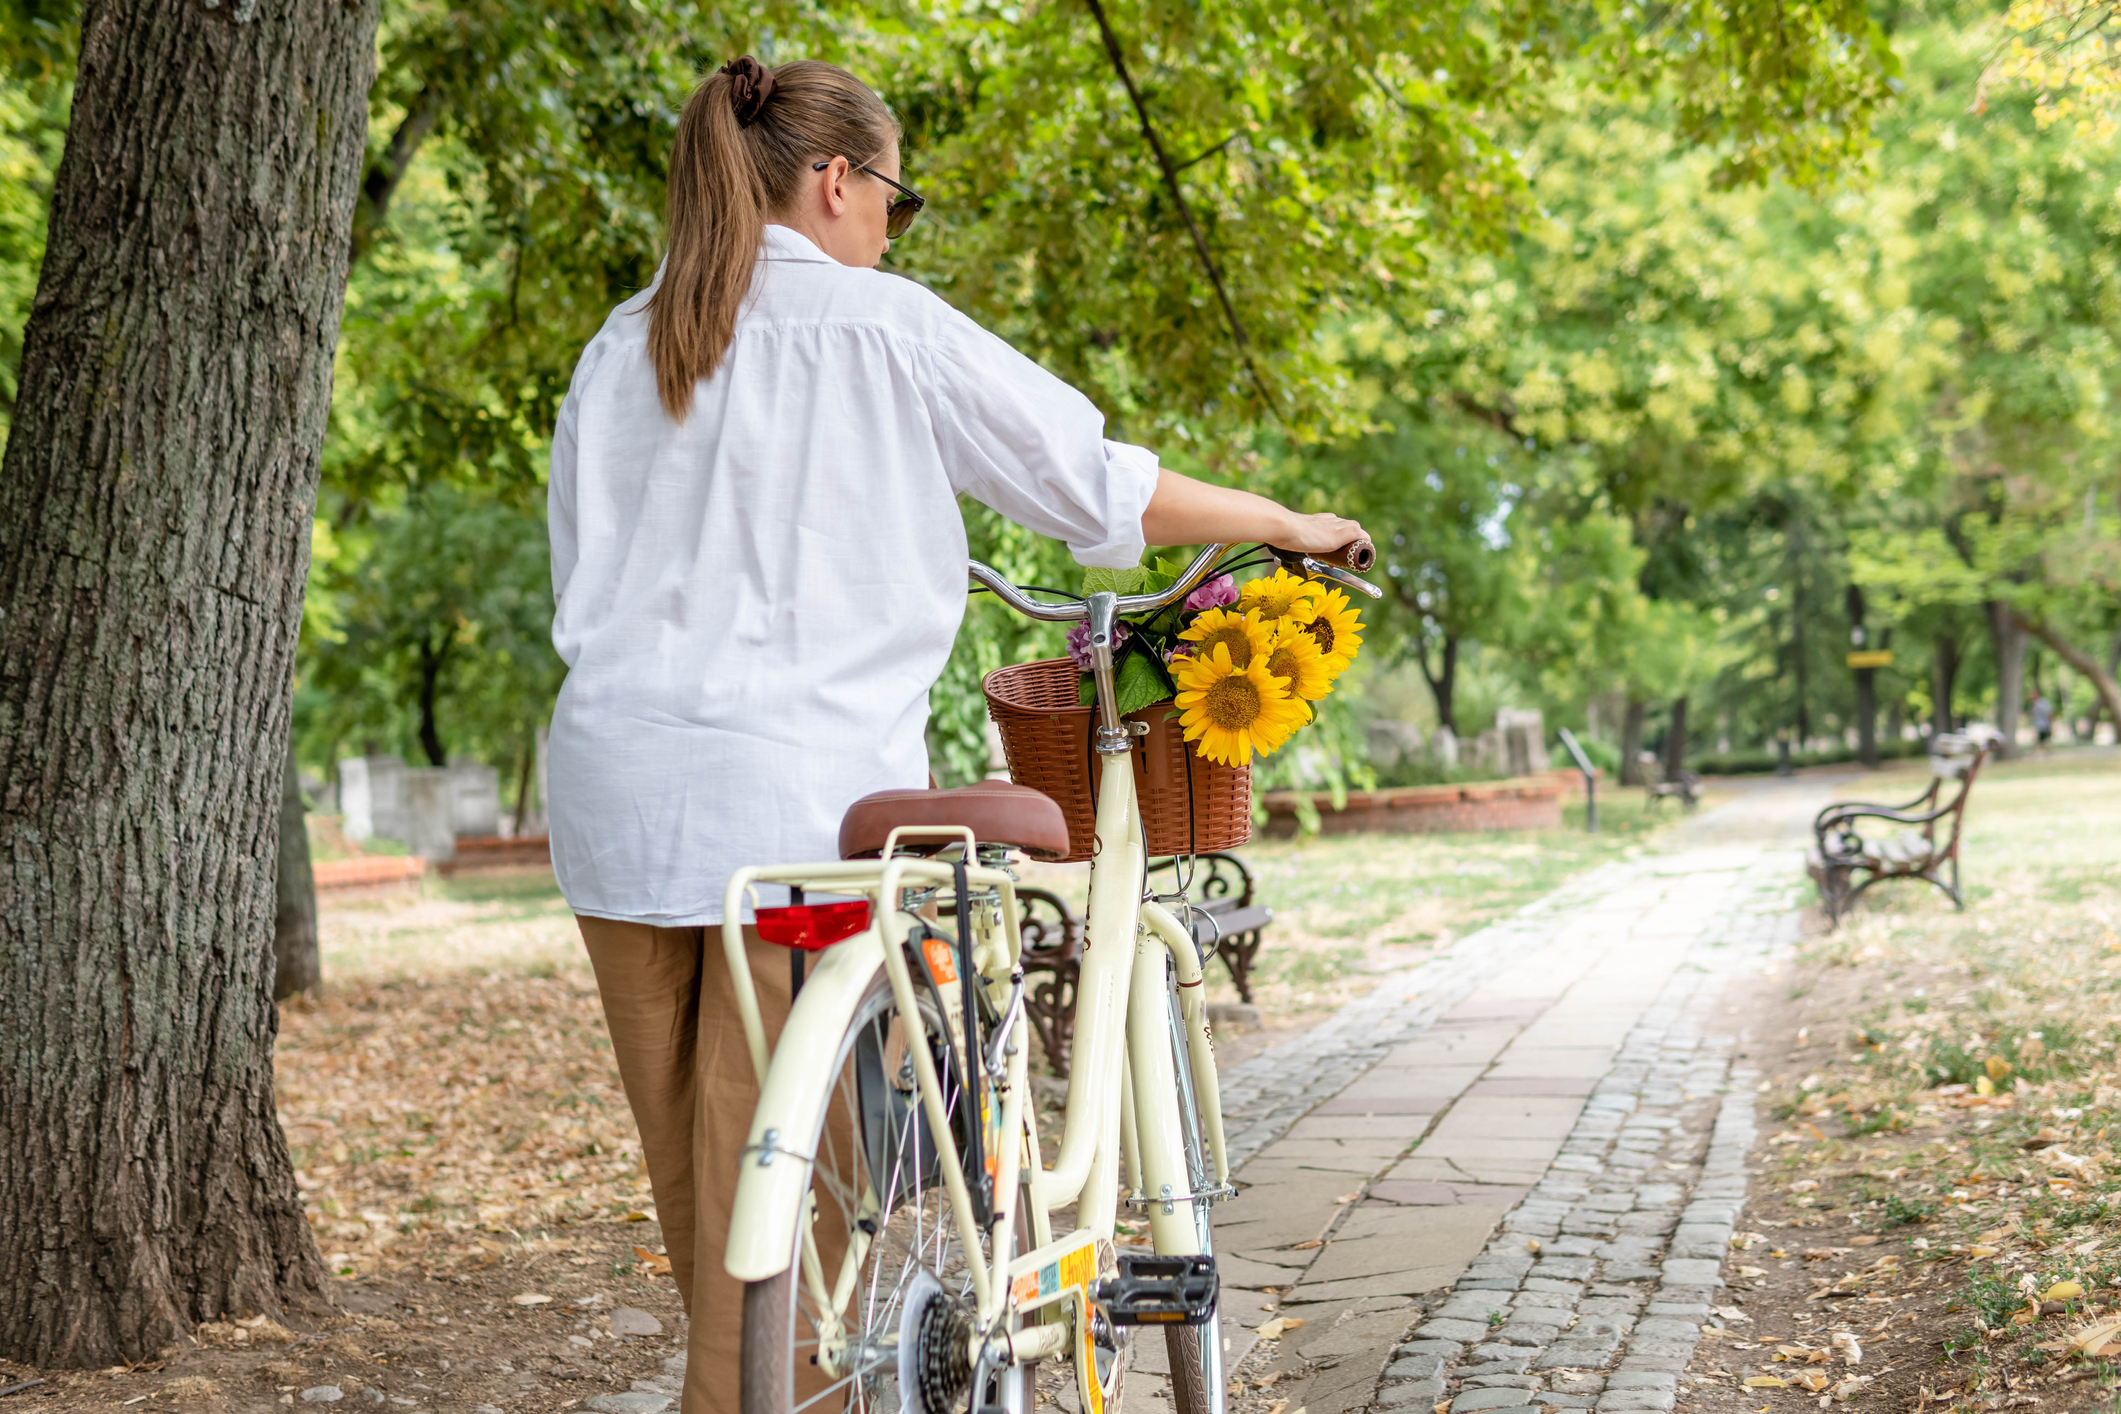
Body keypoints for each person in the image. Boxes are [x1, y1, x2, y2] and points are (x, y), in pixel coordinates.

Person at [544, 56, 1363, 1414]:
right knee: (791, 1190)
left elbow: (584, 570)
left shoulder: (619, 343)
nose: (889, 230)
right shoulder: (882, 326)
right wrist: (1278, 521)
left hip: (619, 793)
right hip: (797, 799)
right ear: (835, 181)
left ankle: (743, 1392)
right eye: (892, 200)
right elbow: (1091, 489)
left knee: (701, 1180)